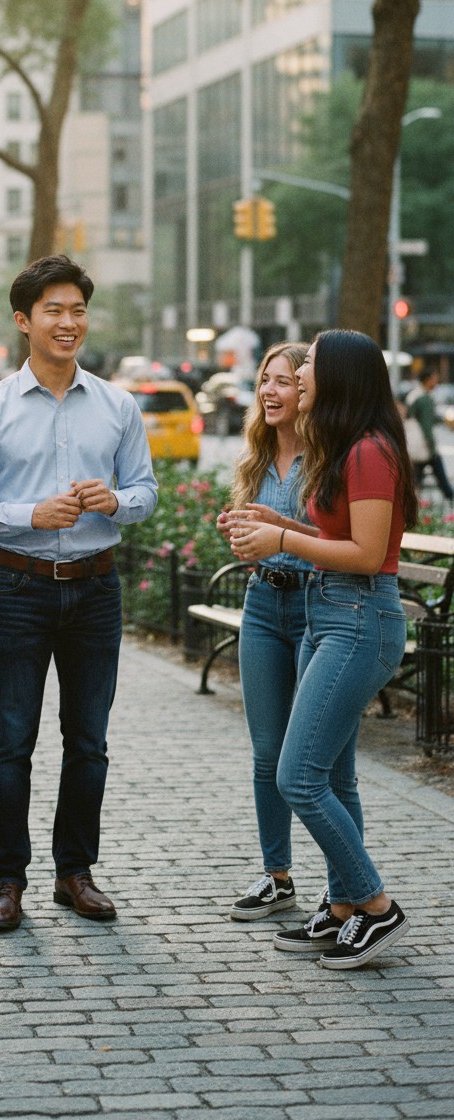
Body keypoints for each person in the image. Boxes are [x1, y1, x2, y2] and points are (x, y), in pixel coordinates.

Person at [0, 254, 158, 932]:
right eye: (54, 311)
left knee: (89, 741)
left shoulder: (118, 405)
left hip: (97, 590)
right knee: (11, 740)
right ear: (23, 321)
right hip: (19, 586)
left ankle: (76, 874)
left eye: (77, 310)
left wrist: (117, 501)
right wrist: (29, 515)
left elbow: (147, 495)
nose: (69, 323)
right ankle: (7, 881)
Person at [228, 329, 416, 970]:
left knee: (297, 775)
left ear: (338, 377)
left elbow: (368, 555)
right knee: (333, 774)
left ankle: (376, 906)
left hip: (358, 619)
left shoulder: (368, 451)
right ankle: (341, 909)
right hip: (329, 614)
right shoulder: (348, 448)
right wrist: (278, 525)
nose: (298, 372)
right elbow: (336, 536)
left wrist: (284, 543)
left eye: (309, 365)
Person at [217, 343, 318, 922]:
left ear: (306, 391)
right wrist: (240, 534)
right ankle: (276, 876)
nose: (270, 392)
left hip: (315, 608)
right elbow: (257, 534)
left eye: (284, 382)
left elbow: (331, 538)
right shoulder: (256, 458)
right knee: (265, 753)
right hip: (263, 606)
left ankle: (343, 885)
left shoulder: (326, 458)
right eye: (264, 380)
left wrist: (281, 533)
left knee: (318, 763)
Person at [405, 367, 454, 499]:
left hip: (417, 446)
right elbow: (426, 424)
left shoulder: (415, 394)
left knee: (416, 479)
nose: (436, 383)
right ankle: (449, 497)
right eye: (434, 379)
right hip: (424, 445)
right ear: (427, 380)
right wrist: (432, 446)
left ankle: (412, 504)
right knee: (438, 473)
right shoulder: (423, 398)